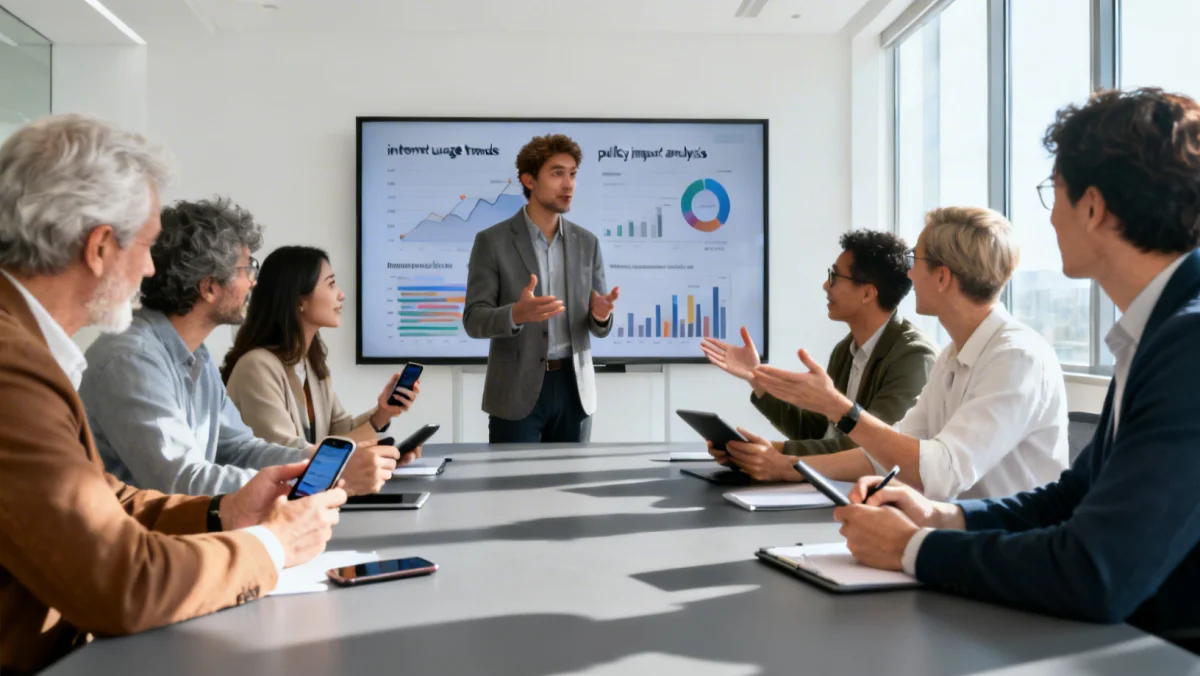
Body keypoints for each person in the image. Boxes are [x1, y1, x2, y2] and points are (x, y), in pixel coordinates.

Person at [836, 88, 1200, 648]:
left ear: (1094, 207)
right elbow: (1070, 498)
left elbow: (1096, 571)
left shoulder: (1188, 344)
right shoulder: (1153, 333)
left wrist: (911, 548)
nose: (1049, 216)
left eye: (1052, 193)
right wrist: (940, 517)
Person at [0, 114, 345, 674]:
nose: (152, 268)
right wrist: (272, 548)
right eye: (149, 246)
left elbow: (102, 497)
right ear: (100, 247)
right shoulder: (14, 368)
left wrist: (222, 510)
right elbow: (119, 583)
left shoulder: (27, 350)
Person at [79, 198, 398, 495]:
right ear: (210, 287)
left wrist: (319, 464)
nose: (254, 283)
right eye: (248, 269)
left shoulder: (194, 354)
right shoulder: (131, 360)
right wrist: (327, 480)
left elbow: (240, 449)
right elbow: (182, 481)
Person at [749, 207, 1068, 500]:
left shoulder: (1018, 358)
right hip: (954, 532)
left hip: (1004, 548)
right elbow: (888, 453)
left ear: (942, 277)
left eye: (915, 261)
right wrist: (789, 466)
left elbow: (942, 472)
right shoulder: (952, 356)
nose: (909, 274)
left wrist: (838, 408)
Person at [700, 229, 936, 480]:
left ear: (867, 293)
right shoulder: (846, 350)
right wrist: (756, 378)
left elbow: (870, 446)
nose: (826, 285)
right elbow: (818, 430)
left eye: (834, 276)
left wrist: (774, 453)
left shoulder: (913, 357)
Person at [463, 133, 619, 443]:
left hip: (575, 390)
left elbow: (599, 327)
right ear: (529, 180)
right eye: (557, 173)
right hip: (515, 391)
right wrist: (515, 314)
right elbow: (474, 320)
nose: (569, 184)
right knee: (514, 490)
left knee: (571, 490)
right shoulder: (492, 241)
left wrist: (600, 317)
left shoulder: (587, 243)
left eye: (573, 174)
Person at [222, 246, 423, 456]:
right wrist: (371, 453)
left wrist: (384, 412)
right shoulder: (256, 367)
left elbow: (340, 431)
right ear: (300, 300)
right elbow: (289, 455)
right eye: (331, 284)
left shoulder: (311, 363)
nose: (341, 295)